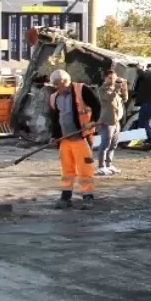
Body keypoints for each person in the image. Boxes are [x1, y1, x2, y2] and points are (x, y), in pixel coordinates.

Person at [46, 69, 101, 210]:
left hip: (81, 138)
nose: (55, 87)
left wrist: (93, 121)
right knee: (67, 169)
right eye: (54, 85)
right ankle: (65, 198)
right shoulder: (54, 97)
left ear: (65, 81)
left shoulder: (81, 90)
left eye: (57, 84)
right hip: (65, 140)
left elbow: (97, 106)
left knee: (85, 168)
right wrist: (54, 136)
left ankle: (88, 197)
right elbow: (54, 120)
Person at [95, 69, 128, 175]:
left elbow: (125, 99)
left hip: (116, 121)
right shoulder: (102, 89)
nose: (113, 80)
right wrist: (117, 88)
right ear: (105, 78)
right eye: (110, 78)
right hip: (107, 121)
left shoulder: (115, 89)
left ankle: (109, 164)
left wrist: (124, 88)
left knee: (113, 144)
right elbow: (109, 98)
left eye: (114, 78)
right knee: (105, 144)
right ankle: (101, 166)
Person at [133, 63, 151, 149]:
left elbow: (143, 75)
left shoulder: (150, 74)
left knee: (142, 124)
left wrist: (139, 69)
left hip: (147, 104)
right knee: (145, 124)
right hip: (150, 104)